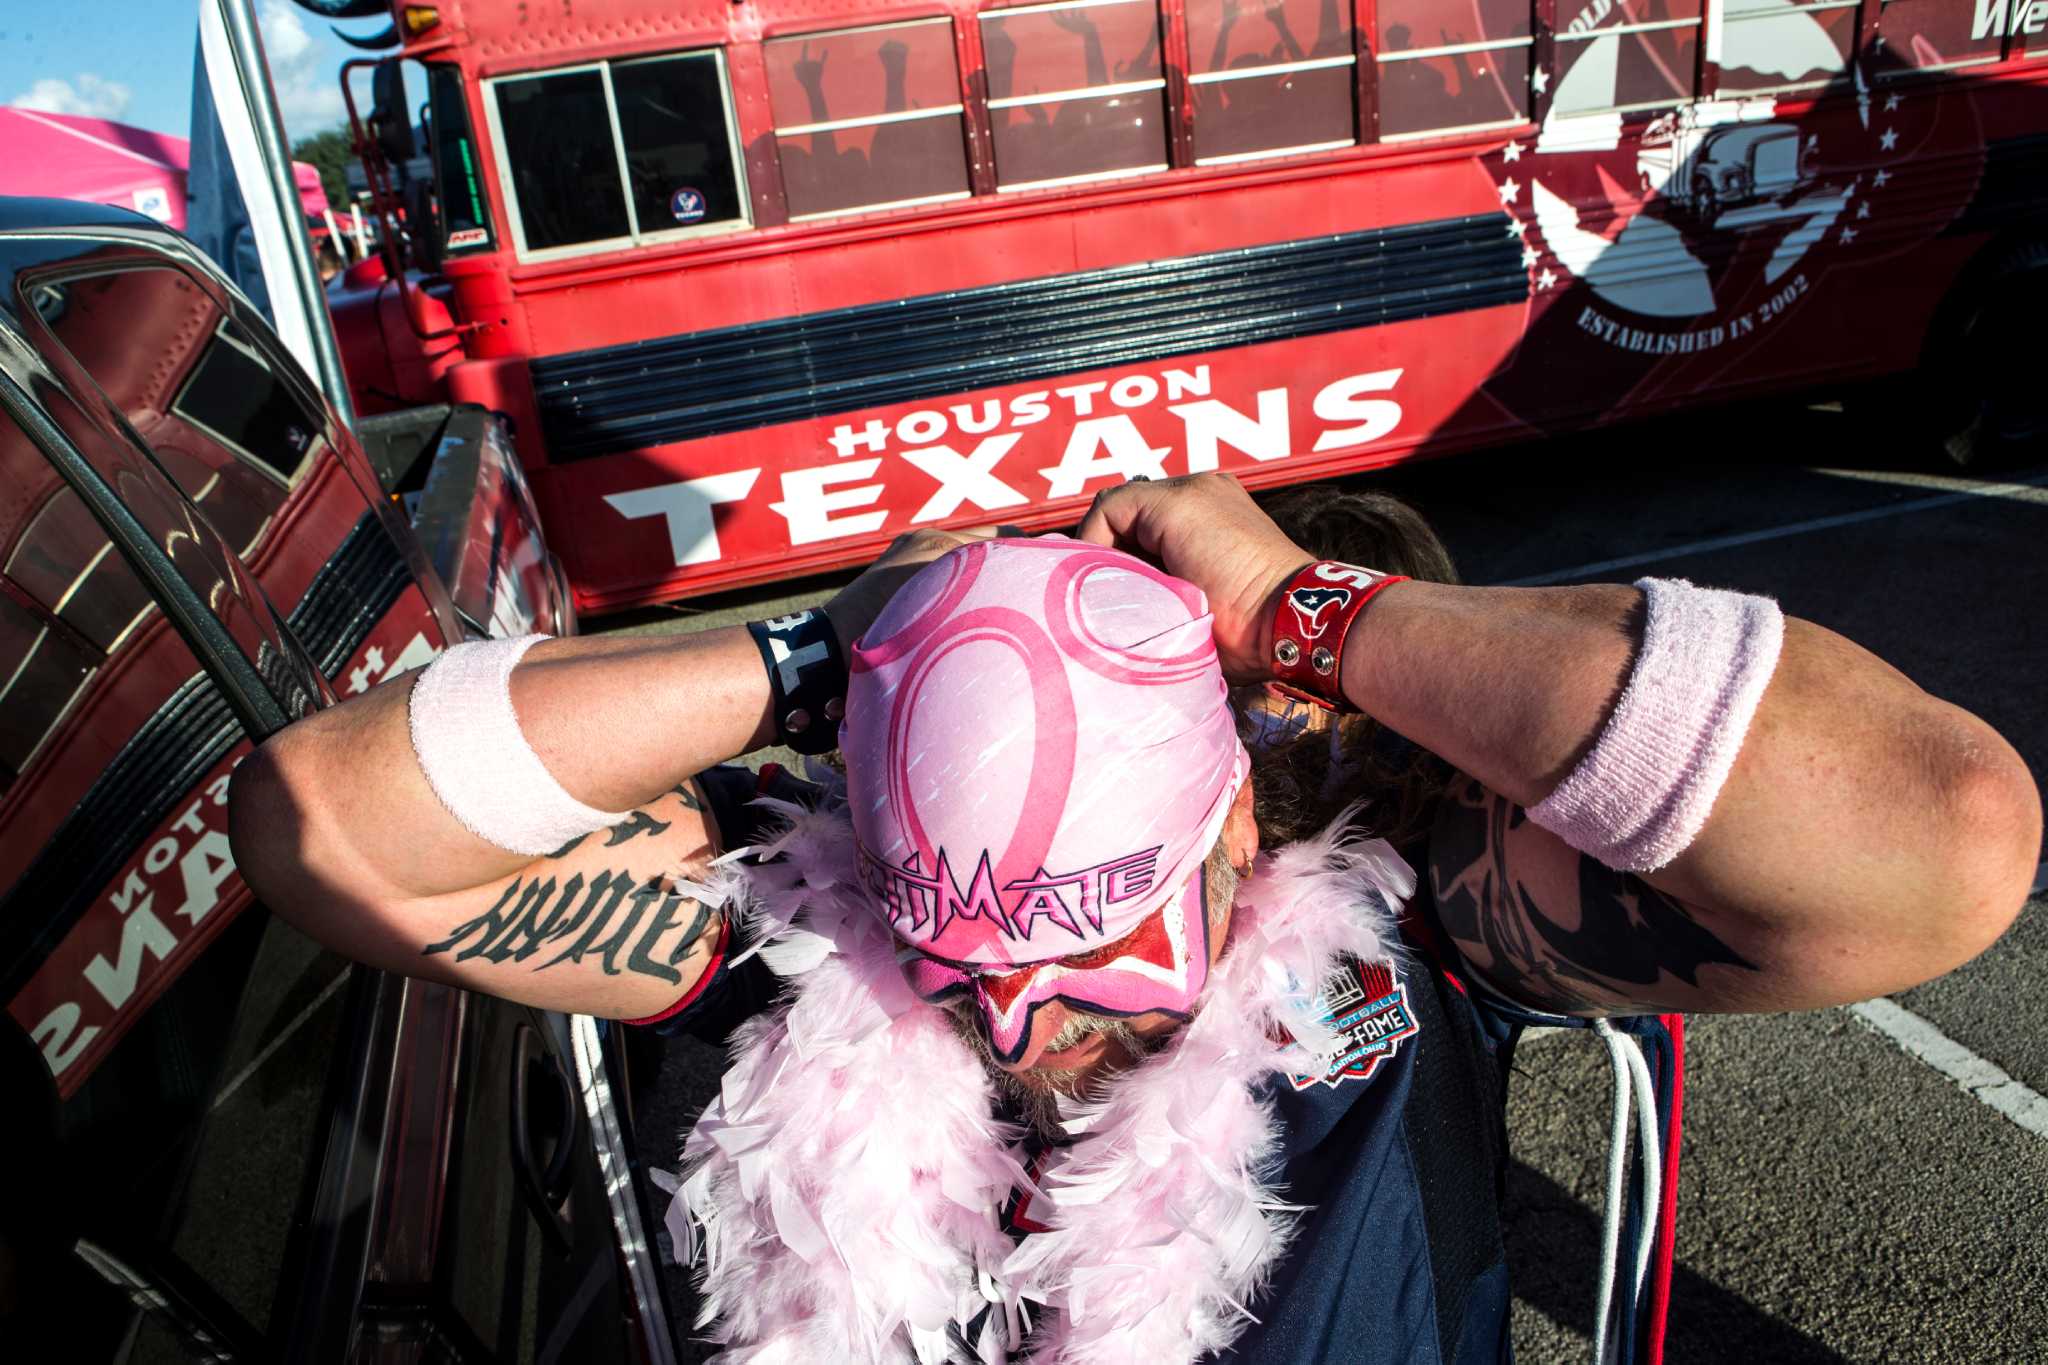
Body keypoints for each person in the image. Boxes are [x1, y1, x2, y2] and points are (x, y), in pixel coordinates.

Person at [230, 473, 2039, 1362]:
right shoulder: (811, 932)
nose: (1022, 1024)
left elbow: (1939, 835)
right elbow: (322, 823)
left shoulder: (1415, 943)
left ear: (1246, 804)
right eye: (970, 951)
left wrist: (1302, 606)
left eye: (1096, 922)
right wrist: (839, 637)